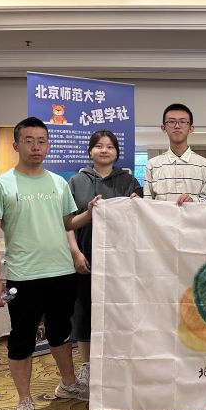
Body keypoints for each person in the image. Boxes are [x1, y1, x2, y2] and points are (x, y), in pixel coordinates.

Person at [0, 117, 101, 410]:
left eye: (42, 141)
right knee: (22, 339)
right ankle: (24, 402)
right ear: (16, 144)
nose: (36, 147)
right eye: (29, 140)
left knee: (61, 332)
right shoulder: (0, 185)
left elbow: (67, 223)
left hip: (61, 273)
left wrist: (89, 213)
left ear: (48, 145)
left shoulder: (59, 183)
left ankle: (68, 383)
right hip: (24, 276)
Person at [67, 130, 142, 396]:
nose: (104, 150)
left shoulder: (129, 181)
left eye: (110, 146)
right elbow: (67, 222)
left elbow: (141, 219)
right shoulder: (76, 181)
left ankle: (118, 364)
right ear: (90, 151)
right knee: (84, 312)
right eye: (99, 146)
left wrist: (136, 206)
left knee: (120, 311)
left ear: (117, 153)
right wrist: (76, 253)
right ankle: (87, 366)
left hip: (121, 259)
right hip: (86, 256)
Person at [144, 103, 206, 205]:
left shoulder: (205, 165)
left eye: (183, 122)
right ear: (163, 128)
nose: (177, 126)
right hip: (161, 216)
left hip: (193, 216)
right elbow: (147, 203)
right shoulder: (152, 165)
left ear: (191, 128)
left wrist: (193, 200)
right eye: (171, 122)